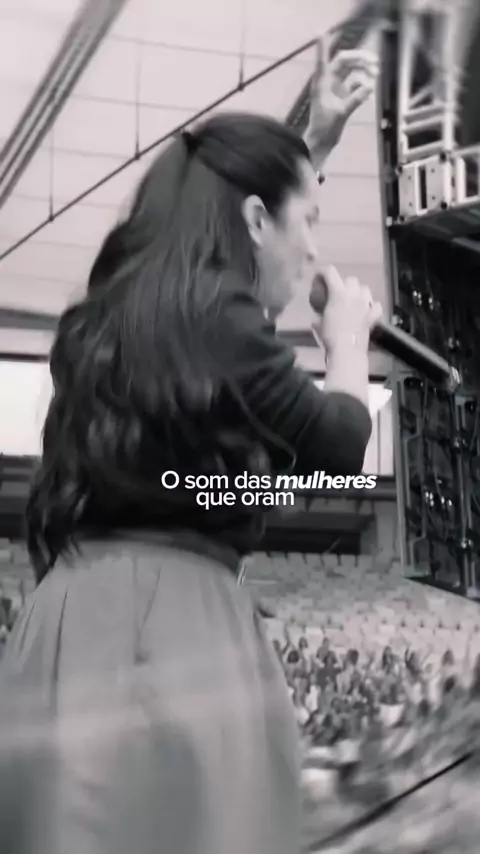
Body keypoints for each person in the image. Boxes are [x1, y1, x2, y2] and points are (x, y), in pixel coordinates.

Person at [0, 37, 380, 854]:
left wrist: (312, 143)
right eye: (309, 223)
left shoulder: (129, 302)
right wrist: (347, 347)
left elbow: (243, 234)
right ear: (256, 220)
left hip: (67, 628)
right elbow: (339, 446)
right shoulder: (221, 318)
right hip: (166, 632)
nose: (315, 249)